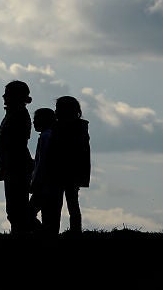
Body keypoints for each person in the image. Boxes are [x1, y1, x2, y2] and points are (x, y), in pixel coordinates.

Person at [0, 79, 35, 235]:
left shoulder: (18, 115)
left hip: (17, 167)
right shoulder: (15, 114)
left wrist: (8, 166)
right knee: (15, 209)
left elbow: (15, 145)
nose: (3, 96)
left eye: (7, 93)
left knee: (17, 209)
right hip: (12, 166)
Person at [49, 95, 91, 235]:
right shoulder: (80, 127)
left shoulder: (59, 128)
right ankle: (75, 231)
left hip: (61, 170)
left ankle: (56, 231)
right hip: (72, 171)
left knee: (60, 204)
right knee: (72, 203)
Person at [28, 107, 57, 234]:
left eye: (36, 120)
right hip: (49, 184)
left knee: (28, 214)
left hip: (44, 184)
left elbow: (42, 163)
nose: (33, 123)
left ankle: (42, 234)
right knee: (48, 216)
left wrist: (35, 182)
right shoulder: (50, 135)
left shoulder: (46, 137)